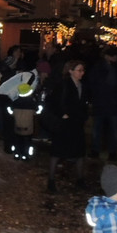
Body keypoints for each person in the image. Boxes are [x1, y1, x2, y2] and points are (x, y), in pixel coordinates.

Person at [46, 60, 89, 193]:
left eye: (83, 70)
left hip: (77, 123)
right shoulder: (63, 85)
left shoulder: (81, 86)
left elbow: (83, 104)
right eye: (79, 70)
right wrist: (62, 114)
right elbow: (52, 102)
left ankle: (80, 179)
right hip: (64, 124)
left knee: (79, 152)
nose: (82, 73)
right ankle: (51, 181)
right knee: (57, 152)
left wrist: (83, 116)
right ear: (71, 71)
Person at [87, 46, 117, 162]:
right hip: (102, 102)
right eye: (111, 56)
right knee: (98, 128)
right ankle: (96, 150)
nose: (114, 58)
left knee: (112, 129)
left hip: (113, 103)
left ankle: (112, 152)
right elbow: (92, 82)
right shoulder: (98, 67)